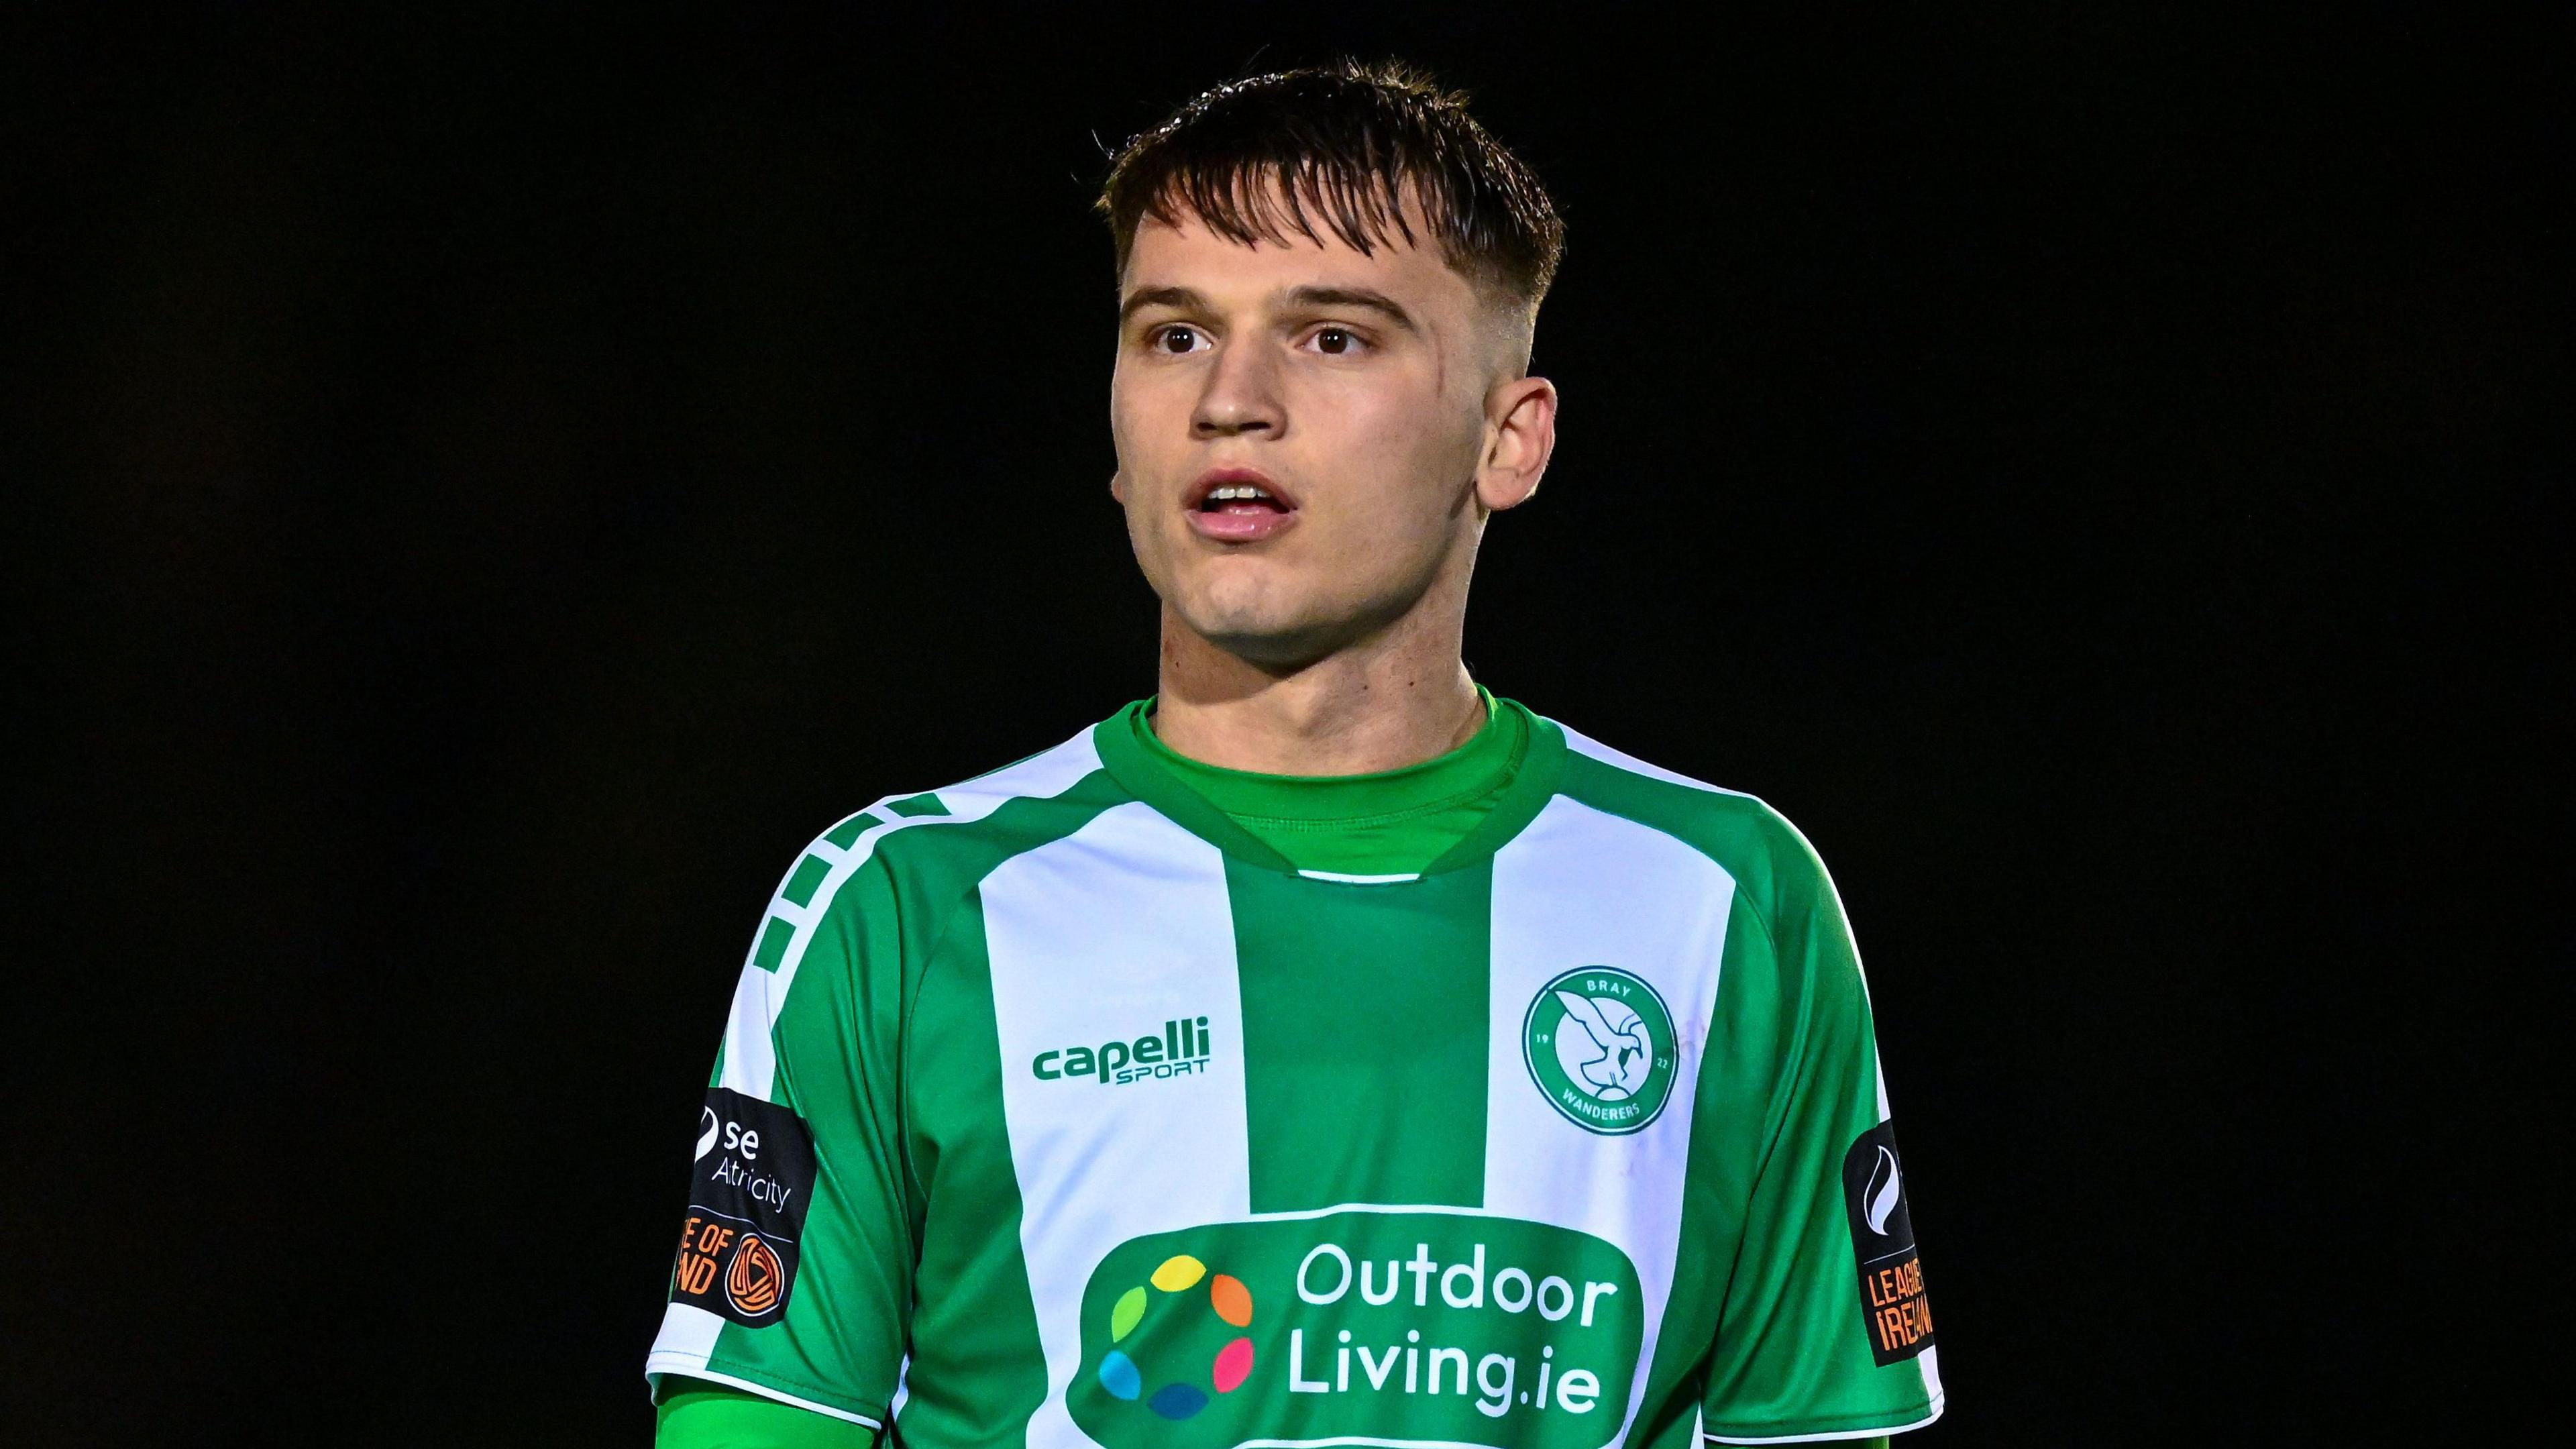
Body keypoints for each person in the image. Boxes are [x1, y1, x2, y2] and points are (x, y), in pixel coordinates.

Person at [646, 61, 1941, 1449]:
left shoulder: (1724, 900)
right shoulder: (905, 906)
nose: (1231, 402)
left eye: (1331, 338)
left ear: (1511, 440)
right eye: (1175, 336)